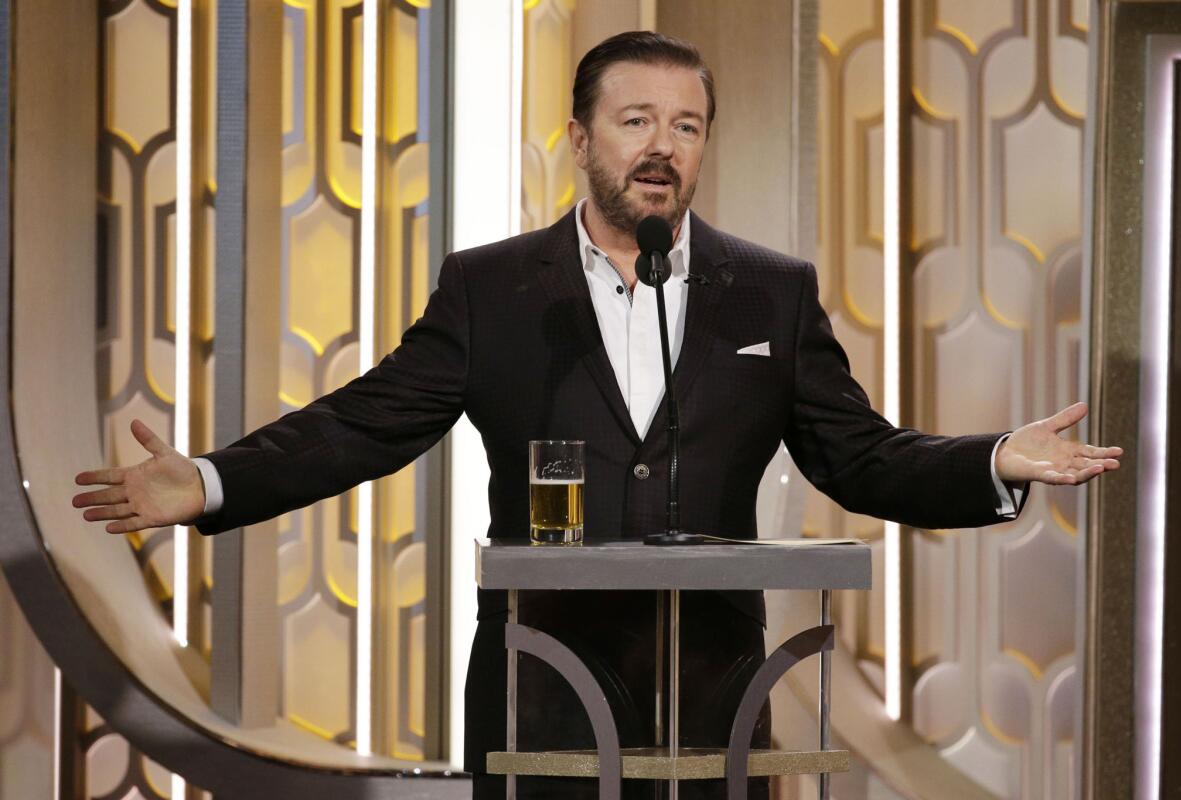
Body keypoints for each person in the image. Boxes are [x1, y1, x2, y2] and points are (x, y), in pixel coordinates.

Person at [72, 31, 1121, 799]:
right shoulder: (494, 290)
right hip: (542, 687)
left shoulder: (770, 292)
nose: (662, 146)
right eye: (636, 121)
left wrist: (994, 458)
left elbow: (861, 456)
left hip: (715, 697)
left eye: (686, 125)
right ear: (579, 137)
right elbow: (368, 419)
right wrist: (208, 480)